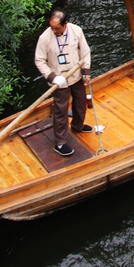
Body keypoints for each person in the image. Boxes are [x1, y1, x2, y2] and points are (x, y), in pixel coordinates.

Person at [34, 9, 92, 156]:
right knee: (60, 110)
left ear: (65, 24)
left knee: (80, 102)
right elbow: (39, 60)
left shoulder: (76, 31)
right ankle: (60, 142)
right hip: (59, 81)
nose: (54, 31)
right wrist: (52, 77)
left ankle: (78, 125)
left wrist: (86, 71)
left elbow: (85, 52)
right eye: (52, 27)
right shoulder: (44, 38)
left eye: (57, 28)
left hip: (75, 75)